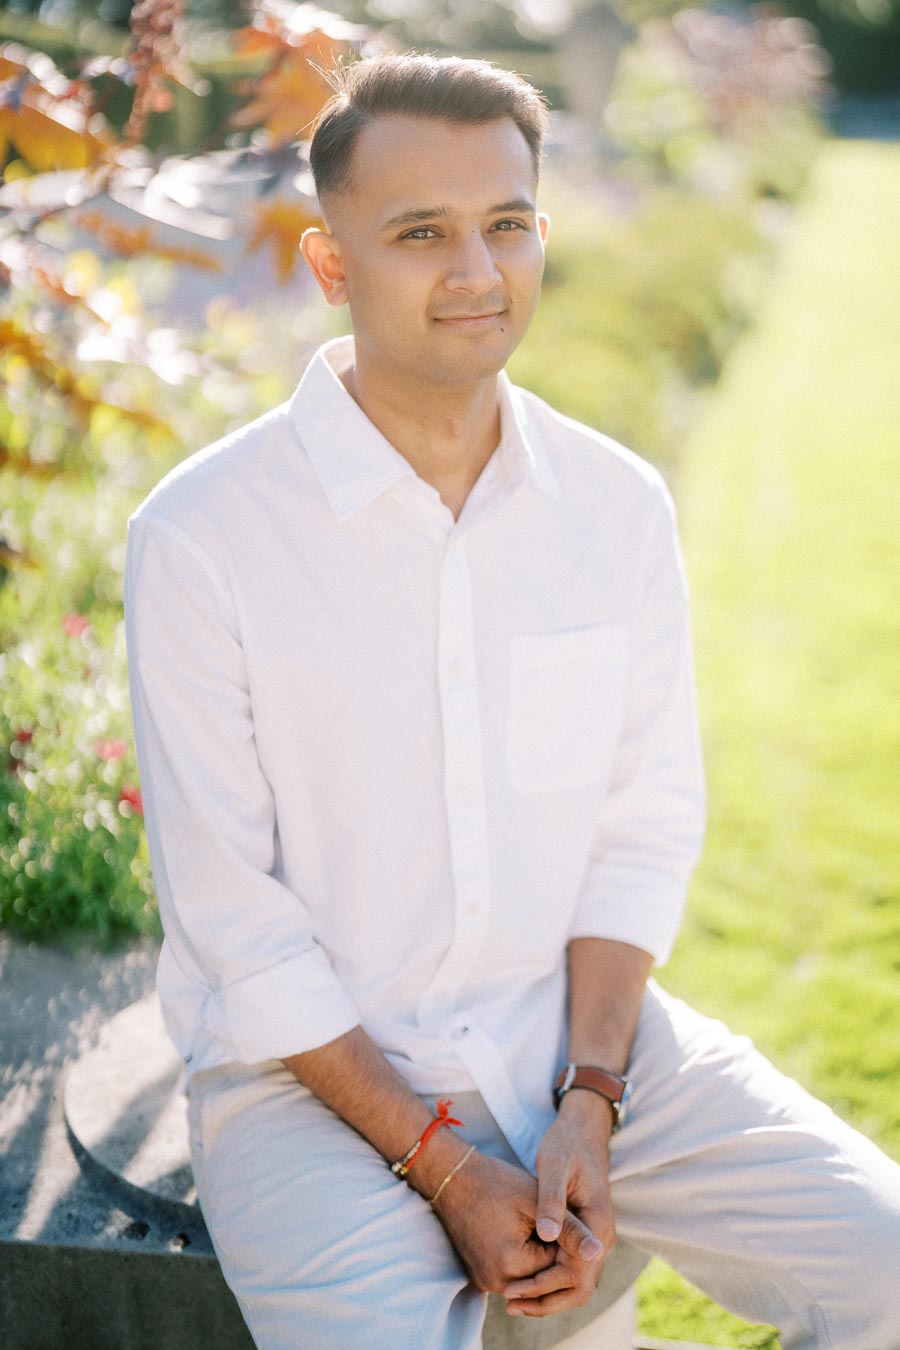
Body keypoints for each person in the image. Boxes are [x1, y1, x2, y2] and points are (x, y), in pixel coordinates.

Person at [123, 52, 900, 1350]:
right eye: (421, 232)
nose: (478, 271)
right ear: (329, 264)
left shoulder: (614, 507)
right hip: (303, 1085)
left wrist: (593, 1095)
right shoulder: (203, 537)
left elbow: (638, 831)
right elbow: (232, 922)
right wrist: (445, 1163)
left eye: (508, 223)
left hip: (578, 1042)